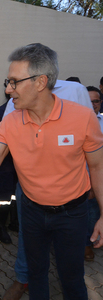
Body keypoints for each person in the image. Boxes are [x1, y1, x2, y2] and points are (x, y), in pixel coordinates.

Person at [0, 43, 103, 300]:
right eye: (8, 82)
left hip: (72, 214)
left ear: (41, 82)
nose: (8, 89)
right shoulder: (11, 121)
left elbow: (97, 166)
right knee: (36, 274)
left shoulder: (82, 117)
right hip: (31, 212)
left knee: (72, 278)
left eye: (14, 82)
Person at [0, 98, 18, 244]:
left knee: (16, 196)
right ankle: (0, 227)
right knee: (3, 198)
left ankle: (14, 222)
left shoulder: (25, 111)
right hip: (4, 164)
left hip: (20, 164)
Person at [84, 85, 103, 261]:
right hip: (88, 179)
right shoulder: (79, 122)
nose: (92, 104)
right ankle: (87, 244)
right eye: (88, 100)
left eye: (96, 101)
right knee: (89, 213)